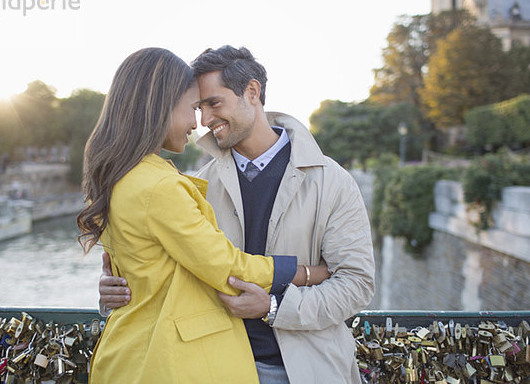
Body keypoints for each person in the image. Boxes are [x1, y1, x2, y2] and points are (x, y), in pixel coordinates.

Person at [99, 45, 376, 384]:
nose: (204, 120)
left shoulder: (332, 182)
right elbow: (164, 276)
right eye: (198, 107)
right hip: (213, 368)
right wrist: (116, 290)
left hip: (308, 369)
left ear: (252, 91)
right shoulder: (192, 186)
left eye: (214, 103)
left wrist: (274, 309)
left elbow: (357, 285)